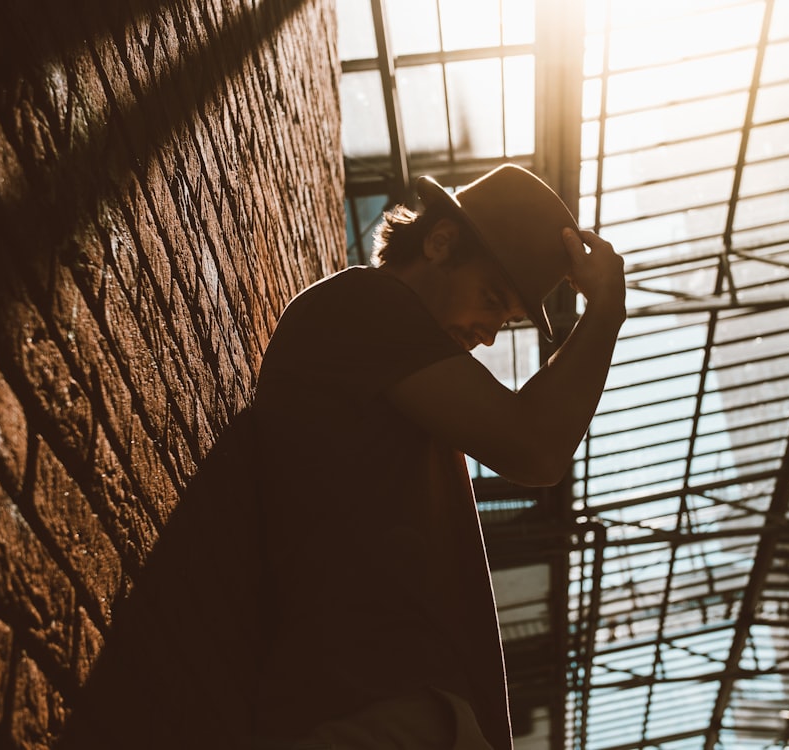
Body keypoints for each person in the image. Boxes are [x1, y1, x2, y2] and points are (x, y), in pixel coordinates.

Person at [252, 164, 625, 749]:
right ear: (440, 241)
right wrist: (605, 313)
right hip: (376, 704)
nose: (489, 334)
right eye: (491, 299)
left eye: (505, 319)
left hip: (383, 701)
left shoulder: (391, 359)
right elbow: (535, 448)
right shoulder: (366, 306)